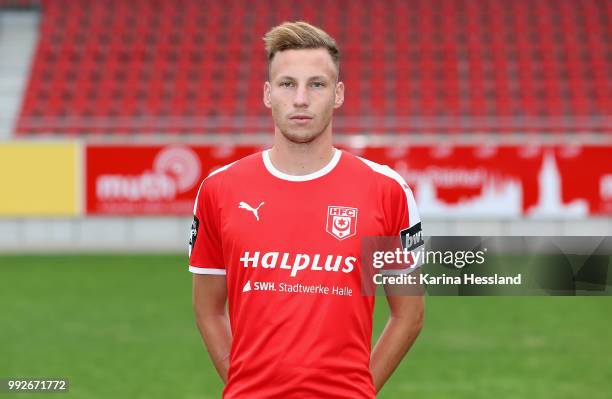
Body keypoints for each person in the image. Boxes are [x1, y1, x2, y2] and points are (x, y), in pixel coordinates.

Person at [190, 21, 424, 398]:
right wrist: (243, 386)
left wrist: (360, 390)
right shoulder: (219, 189)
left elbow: (408, 314)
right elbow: (208, 310)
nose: (301, 99)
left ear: (338, 94)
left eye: (317, 84)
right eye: (287, 84)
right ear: (268, 94)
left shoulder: (386, 190)